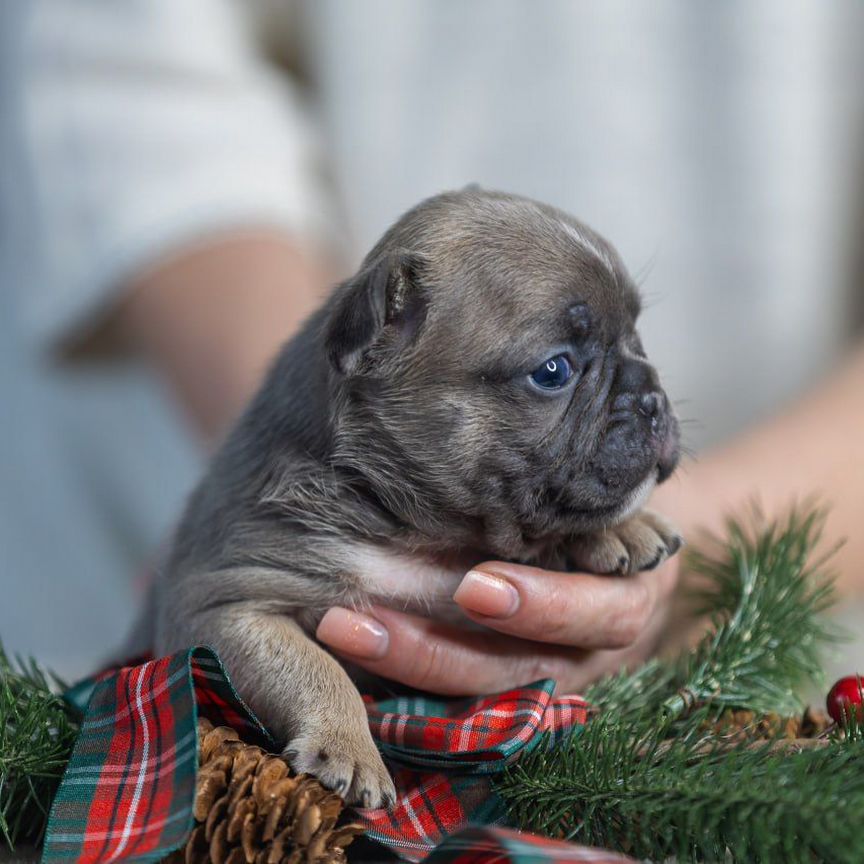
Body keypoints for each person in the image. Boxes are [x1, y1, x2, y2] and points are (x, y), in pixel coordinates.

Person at [1, 0, 862, 684]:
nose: (643, 396)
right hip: (152, 491)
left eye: (631, 343)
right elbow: (137, 91)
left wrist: (687, 539)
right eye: (557, 373)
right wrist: (318, 540)